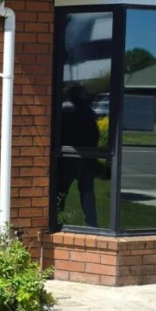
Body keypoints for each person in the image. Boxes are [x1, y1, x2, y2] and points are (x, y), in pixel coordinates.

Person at [58, 82, 100, 227]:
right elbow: (95, 134)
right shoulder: (88, 111)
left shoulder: (65, 109)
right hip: (86, 158)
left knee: (61, 191)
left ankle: (56, 220)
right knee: (87, 191)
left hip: (67, 157)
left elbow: (60, 132)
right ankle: (92, 224)